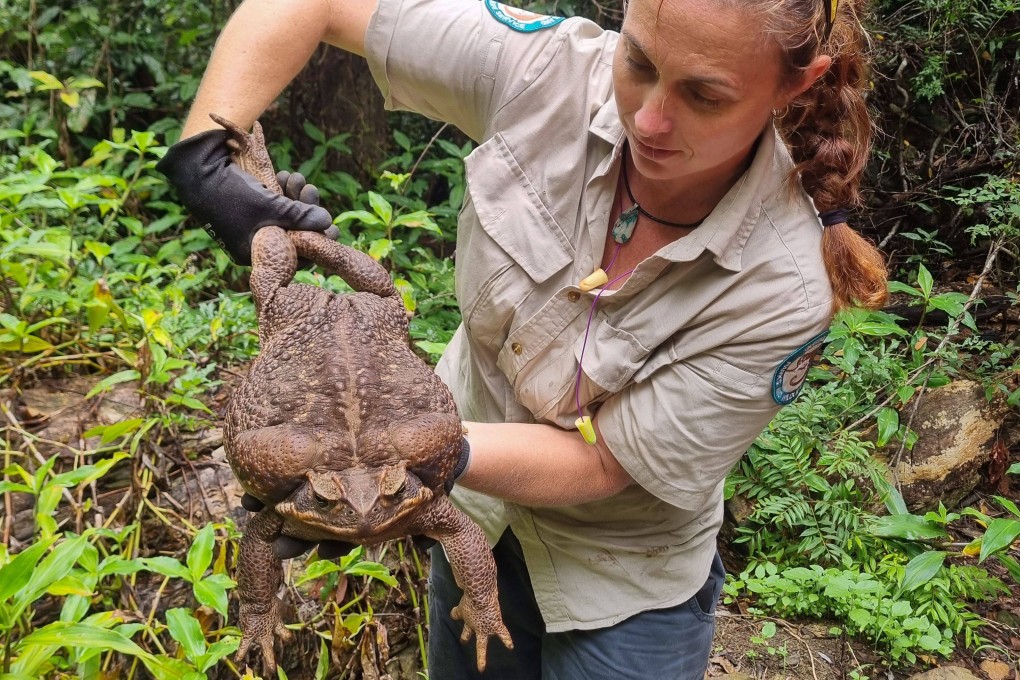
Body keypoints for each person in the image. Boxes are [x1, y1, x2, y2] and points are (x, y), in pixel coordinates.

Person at [156, 0, 889, 675]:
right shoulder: (547, 71)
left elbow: (605, 465)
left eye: (704, 94)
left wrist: (413, 456)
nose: (651, 119)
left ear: (797, 86)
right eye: (637, 62)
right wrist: (207, 162)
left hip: (620, 577)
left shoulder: (784, 286)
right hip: (474, 518)